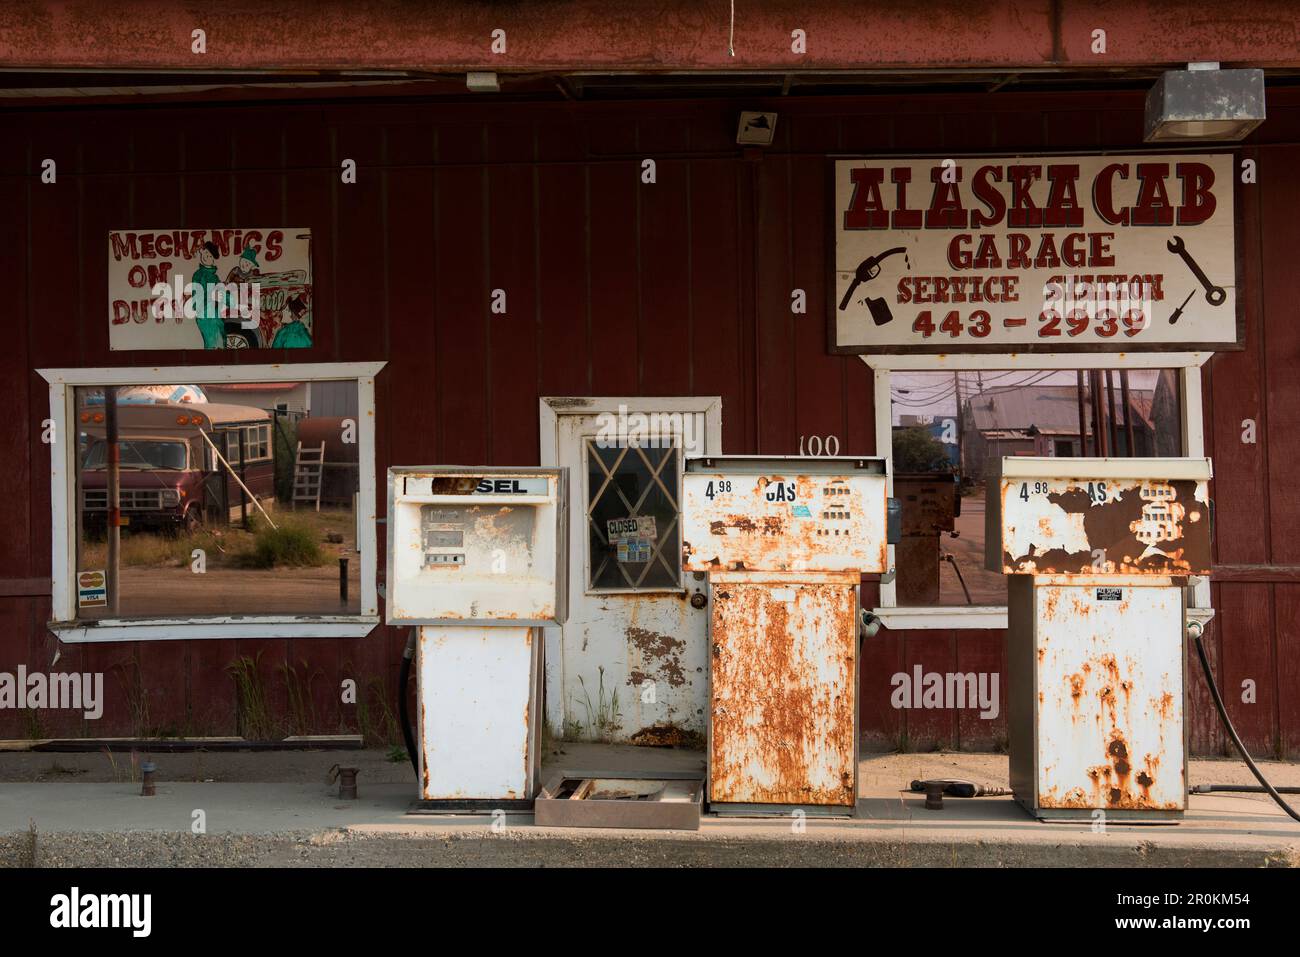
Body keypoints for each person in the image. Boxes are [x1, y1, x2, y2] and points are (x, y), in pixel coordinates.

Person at [191, 241, 224, 349]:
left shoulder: (215, 277)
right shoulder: (198, 275)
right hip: (205, 315)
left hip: (215, 315)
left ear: (213, 259)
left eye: (209, 255)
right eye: (205, 254)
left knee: (220, 343)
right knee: (212, 344)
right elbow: (196, 297)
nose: (206, 257)